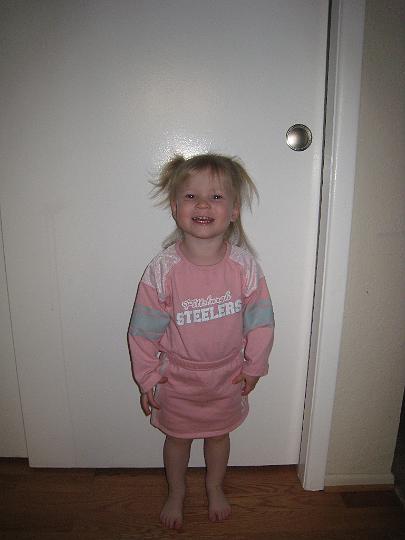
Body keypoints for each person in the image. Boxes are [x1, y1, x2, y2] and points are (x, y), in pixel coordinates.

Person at [128, 153, 274, 529]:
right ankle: (176, 491)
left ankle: (214, 485)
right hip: (177, 378)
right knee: (177, 439)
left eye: (216, 197)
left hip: (227, 376)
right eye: (191, 197)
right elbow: (143, 331)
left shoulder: (244, 267)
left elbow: (261, 322)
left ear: (234, 210)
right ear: (175, 207)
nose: (204, 205)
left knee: (219, 436)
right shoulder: (162, 270)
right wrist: (147, 377)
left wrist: (255, 365)